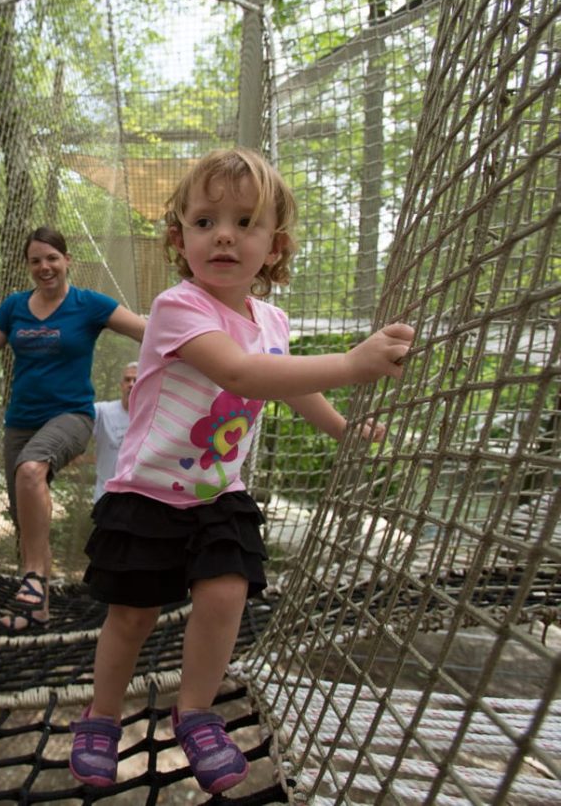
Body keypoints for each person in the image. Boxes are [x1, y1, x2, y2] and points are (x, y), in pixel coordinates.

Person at [67, 148, 414, 793]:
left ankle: (194, 710)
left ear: (273, 246)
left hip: (216, 492)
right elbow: (240, 373)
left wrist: (344, 428)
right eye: (205, 221)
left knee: (227, 591)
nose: (223, 234)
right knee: (133, 615)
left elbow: (285, 383)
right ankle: (102, 715)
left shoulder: (273, 321)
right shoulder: (179, 307)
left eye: (245, 221)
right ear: (180, 238)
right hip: (146, 491)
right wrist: (353, 362)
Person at [0, 227, 145, 631]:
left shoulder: (88, 305)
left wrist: (198, 337)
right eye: (36, 260)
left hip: (72, 416)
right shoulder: (14, 307)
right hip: (20, 422)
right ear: (28, 266)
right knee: (25, 518)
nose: (44, 267)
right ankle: (37, 608)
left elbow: (146, 330)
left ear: (67, 260)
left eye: (52, 258)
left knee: (31, 469)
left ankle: (34, 581)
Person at [91, 362, 138, 502]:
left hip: (136, 499)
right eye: (127, 379)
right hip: (104, 496)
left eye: (136, 380)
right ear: (121, 384)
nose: (131, 384)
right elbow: (77, 422)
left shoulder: (150, 417)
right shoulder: (102, 411)